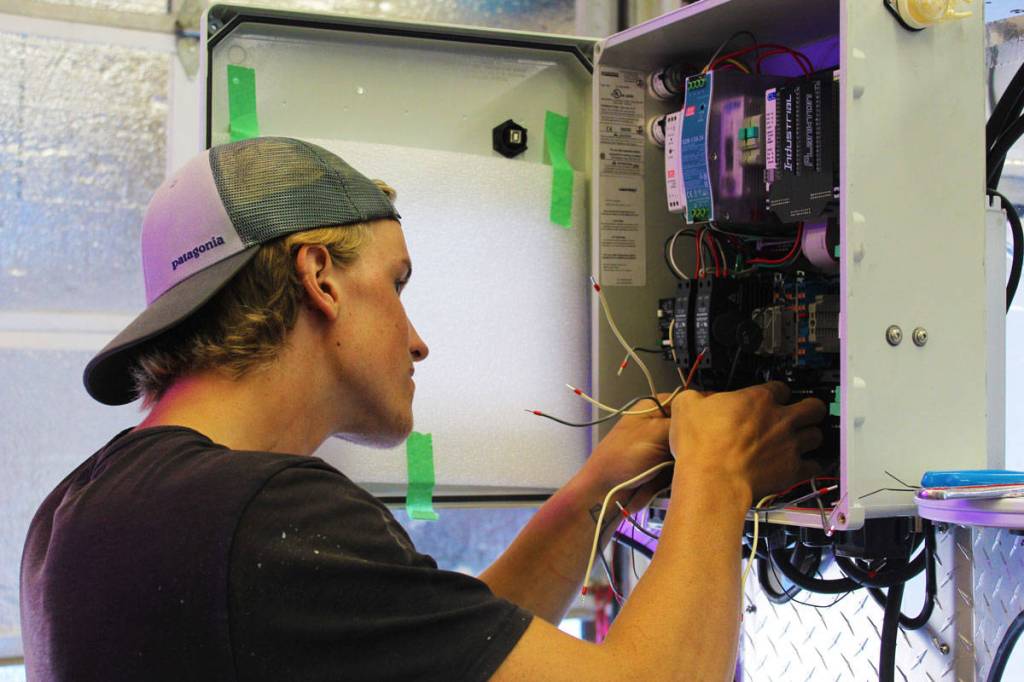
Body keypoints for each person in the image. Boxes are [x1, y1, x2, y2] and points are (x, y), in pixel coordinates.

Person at [20, 137, 825, 681]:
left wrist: (597, 495)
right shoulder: (263, 516)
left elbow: (444, 649)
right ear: (319, 278)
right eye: (396, 284)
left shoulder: (82, 513)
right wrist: (720, 478)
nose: (417, 341)